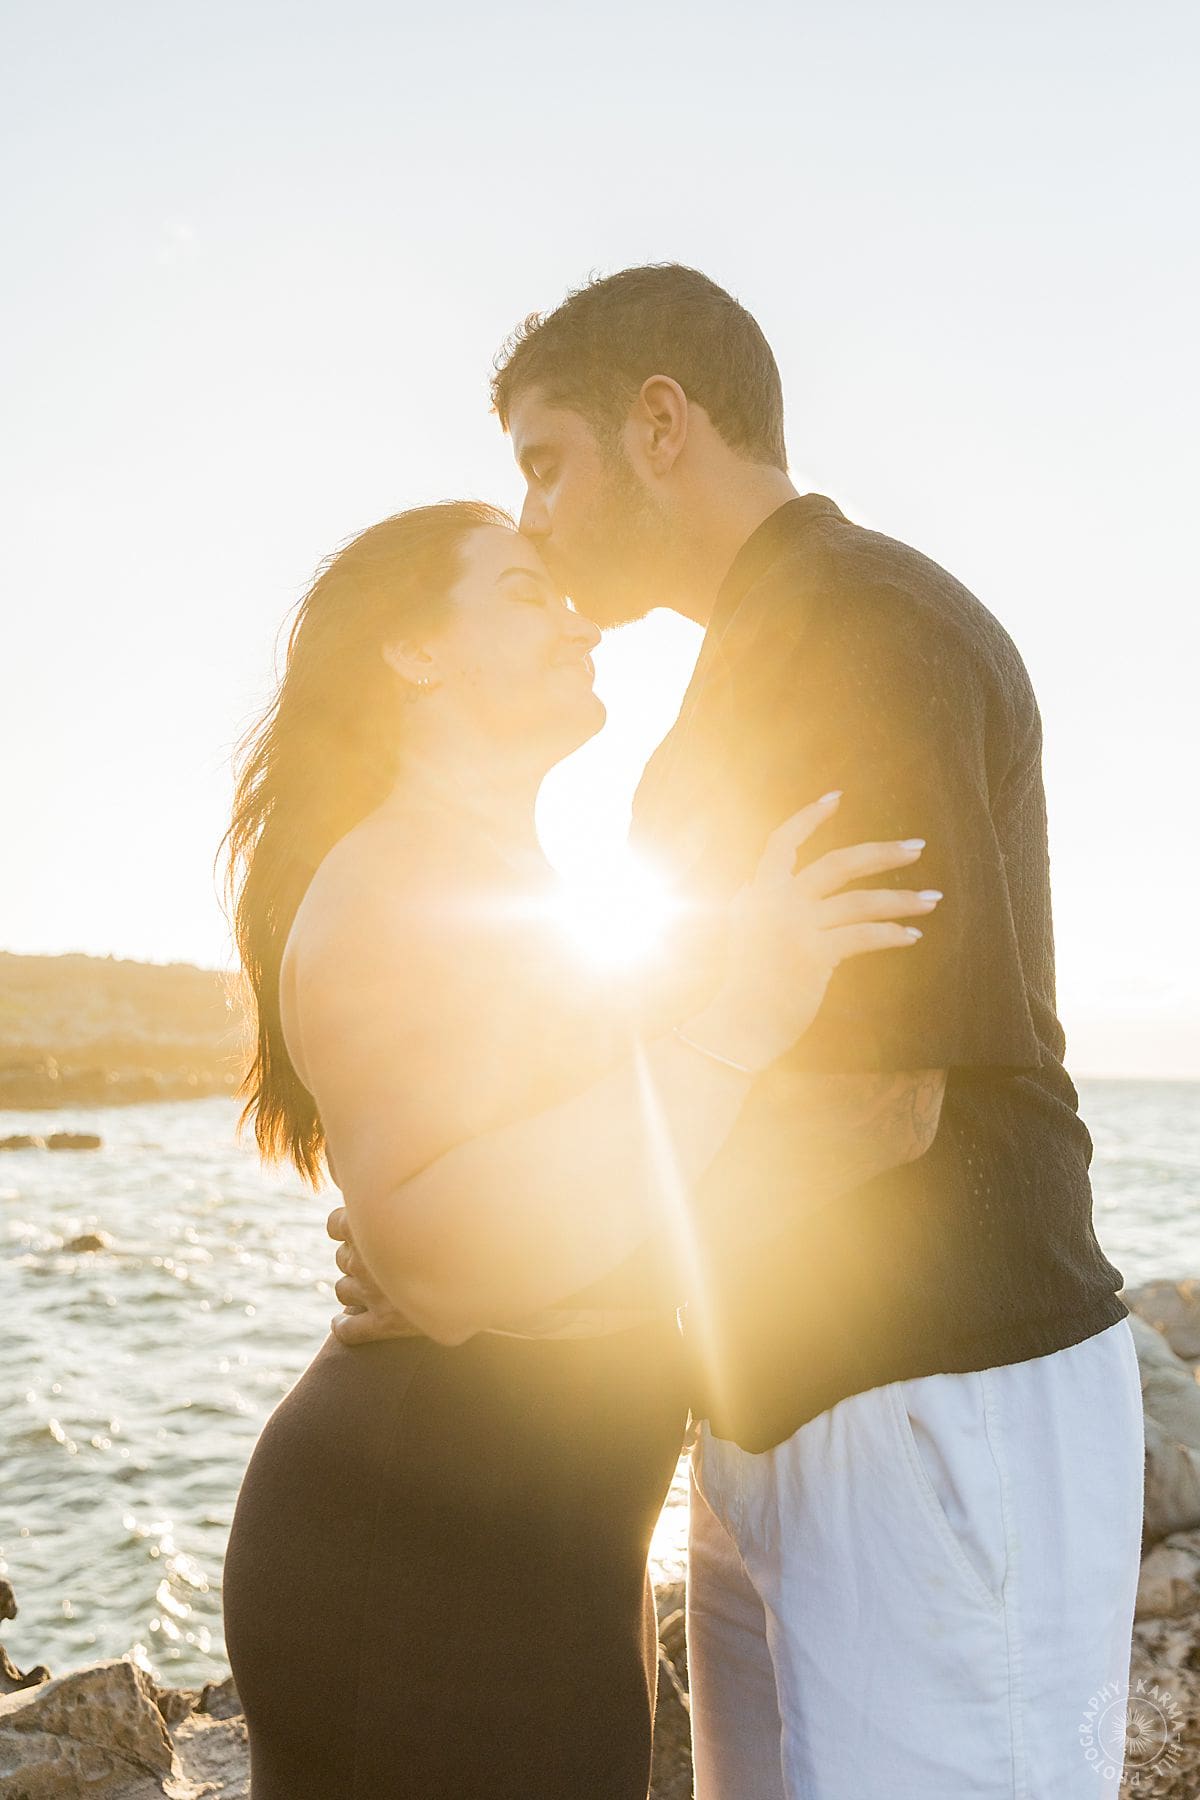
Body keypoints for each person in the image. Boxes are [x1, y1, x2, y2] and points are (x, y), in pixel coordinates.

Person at [332, 266, 1146, 1798]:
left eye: (544, 462)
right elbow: (689, 1076)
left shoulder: (864, 627)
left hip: (939, 1390)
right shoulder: (735, 679)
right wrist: (482, 1215)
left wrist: (521, 1262)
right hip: (776, 1402)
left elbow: (875, 1105)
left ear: (660, 423)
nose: (537, 520)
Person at [218, 498, 935, 1799]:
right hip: (423, 1555)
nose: (579, 620)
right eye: (524, 592)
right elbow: (441, 1265)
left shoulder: (527, 892)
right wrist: (740, 1022)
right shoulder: (390, 882)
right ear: (416, 652)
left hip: (542, 1549)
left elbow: (581, 1187)